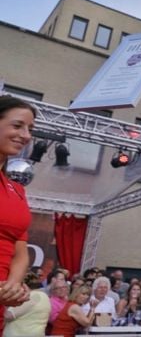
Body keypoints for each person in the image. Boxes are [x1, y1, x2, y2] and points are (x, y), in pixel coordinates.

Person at [0, 96, 37, 331]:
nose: (26, 135)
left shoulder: (17, 189)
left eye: (30, 129)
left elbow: (20, 250)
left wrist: (13, 285)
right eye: (17, 125)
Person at [3, 272, 50, 336]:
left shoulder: (33, 296)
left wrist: (4, 301)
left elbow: (8, 315)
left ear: (24, 286)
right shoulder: (44, 296)